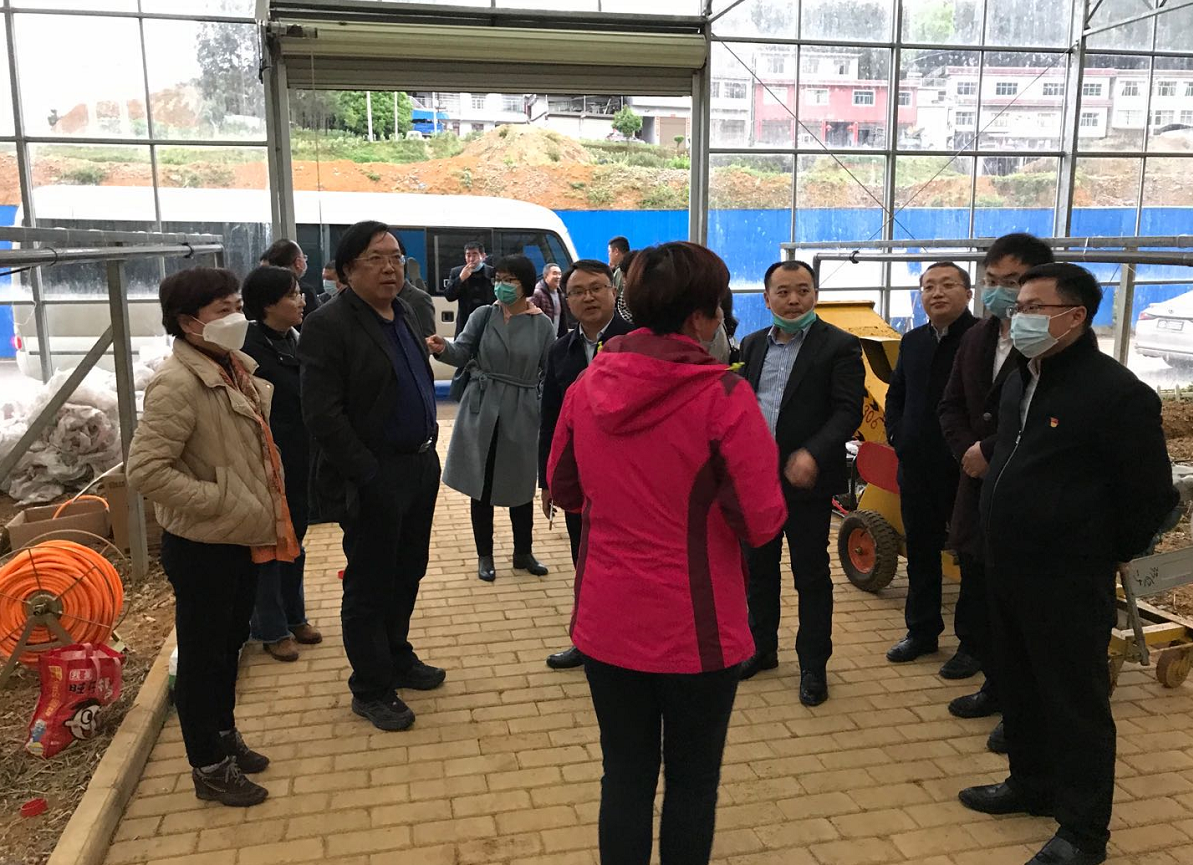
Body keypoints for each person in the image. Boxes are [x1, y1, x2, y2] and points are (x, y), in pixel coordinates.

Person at [546, 241, 786, 865]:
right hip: (697, 628)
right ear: (703, 317)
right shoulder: (724, 396)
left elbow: (564, 488)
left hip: (606, 619)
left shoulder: (586, 386)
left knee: (624, 775)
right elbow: (761, 521)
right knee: (692, 782)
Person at [961, 263, 1177, 865]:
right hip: (1008, 564)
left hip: (1068, 576)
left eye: (1034, 307)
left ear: (1075, 316)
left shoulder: (1116, 393)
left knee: (1074, 703)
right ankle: (1030, 784)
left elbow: (1152, 497)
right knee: (1021, 685)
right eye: (1018, 306)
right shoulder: (1021, 378)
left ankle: (1083, 832)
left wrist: (1096, 549)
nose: (1019, 317)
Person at [127, 267, 300, 807]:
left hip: (238, 537)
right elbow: (146, 470)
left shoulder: (231, 367)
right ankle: (208, 766)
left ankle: (224, 734)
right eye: (223, 310)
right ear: (188, 322)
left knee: (228, 649)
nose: (237, 317)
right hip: (204, 545)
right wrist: (223, 500)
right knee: (203, 659)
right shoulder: (178, 383)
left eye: (237, 306)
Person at [298, 221, 444, 733]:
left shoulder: (403, 311)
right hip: (375, 473)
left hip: (419, 466)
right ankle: (371, 687)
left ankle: (397, 655)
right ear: (347, 270)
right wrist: (368, 474)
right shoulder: (329, 325)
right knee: (370, 581)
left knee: (409, 569)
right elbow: (322, 415)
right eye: (376, 259)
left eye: (396, 257)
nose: (390, 268)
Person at [937, 233, 1054, 752]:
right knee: (983, 590)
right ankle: (996, 685)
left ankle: (1025, 710)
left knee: (1021, 607)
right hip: (977, 486)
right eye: (993, 281)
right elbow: (951, 405)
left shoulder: (1049, 346)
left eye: (1013, 281)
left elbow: (1044, 420)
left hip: (1024, 494)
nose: (1001, 292)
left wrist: (990, 451)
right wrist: (969, 452)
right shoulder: (978, 337)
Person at [738, 260, 864, 707]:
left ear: (815, 295)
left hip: (807, 481)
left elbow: (847, 410)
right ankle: (761, 648)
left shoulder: (840, 346)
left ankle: (813, 665)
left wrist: (812, 452)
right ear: (766, 297)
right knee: (758, 568)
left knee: (810, 573)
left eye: (803, 290)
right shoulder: (752, 344)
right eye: (784, 291)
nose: (794, 300)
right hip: (757, 480)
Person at [429, 253, 555, 582]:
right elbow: (462, 351)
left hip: (521, 410)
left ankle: (523, 552)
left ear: (524, 284)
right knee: (480, 484)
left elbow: (550, 371)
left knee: (520, 485)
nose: (501, 286)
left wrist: (542, 404)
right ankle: (484, 555)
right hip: (482, 406)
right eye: (498, 279)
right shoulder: (483, 315)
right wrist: (443, 348)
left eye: (509, 280)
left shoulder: (542, 325)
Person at [538, 260, 635, 671]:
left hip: (634, 481)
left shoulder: (638, 342)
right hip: (581, 479)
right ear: (567, 299)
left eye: (596, 288)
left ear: (614, 293)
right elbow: (550, 418)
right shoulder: (560, 349)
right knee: (585, 561)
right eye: (577, 291)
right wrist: (547, 479)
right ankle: (589, 640)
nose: (588, 297)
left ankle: (632, 642)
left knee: (630, 563)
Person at [885, 261, 977, 666]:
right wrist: (897, 435)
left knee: (970, 557)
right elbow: (896, 395)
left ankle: (972, 644)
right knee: (921, 552)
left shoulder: (981, 339)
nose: (937, 293)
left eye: (947, 285)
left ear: (968, 293)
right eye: (928, 286)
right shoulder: (912, 341)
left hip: (965, 470)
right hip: (916, 466)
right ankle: (921, 632)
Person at [240, 265, 323, 663]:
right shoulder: (247, 350)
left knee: (295, 540)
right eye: (292, 295)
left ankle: (295, 615)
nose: (302, 300)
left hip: (301, 456)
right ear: (268, 305)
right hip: (265, 460)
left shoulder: (297, 340)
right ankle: (271, 628)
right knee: (270, 545)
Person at [261, 238, 320, 318]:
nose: (302, 303)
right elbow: (316, 321)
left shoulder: (263, 288)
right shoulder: (306, 291)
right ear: (298, 263)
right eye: (304, 257)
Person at [445, 241, 495, 336]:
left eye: (475, 255)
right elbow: (449, 296)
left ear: (483, 256)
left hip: (487, 322)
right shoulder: (457, 272)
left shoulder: (492, 272)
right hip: (465, 322)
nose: (471, 259)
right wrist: (461, 279)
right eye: (468, 255)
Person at [531, 262, 568, 336]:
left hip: (554, 337)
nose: (558, 277)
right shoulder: (537, 294)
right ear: (545, 276)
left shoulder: (560, 293)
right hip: (541, 338)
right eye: (555, 273)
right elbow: (531, 319)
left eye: (560, 274)